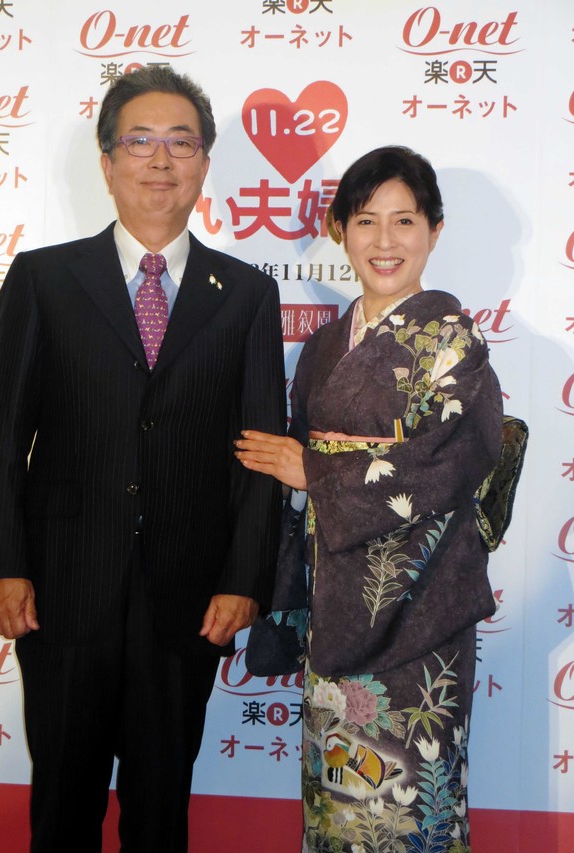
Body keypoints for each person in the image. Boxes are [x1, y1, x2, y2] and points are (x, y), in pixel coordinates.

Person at [0, 65, 286, 852]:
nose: (161, 160)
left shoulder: (246, 294)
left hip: (189, 598)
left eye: (182, 142)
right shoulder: (44, 279)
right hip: (61, 591)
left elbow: (259, 453)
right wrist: (3, 564)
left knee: (160, 810)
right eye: (140, 141)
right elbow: (5, 435)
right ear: (108, 161)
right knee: (62, 805)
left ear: (205, 163)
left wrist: (245, 578)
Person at [235, 146, 503, 852]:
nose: (385, 241)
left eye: (404, 220)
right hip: (336, 604)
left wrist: (317, 472)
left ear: (435, 230)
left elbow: (453, 458)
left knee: (412, 799)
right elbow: (293, 477)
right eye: (365, 221)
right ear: (340, 231)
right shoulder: (325, 347)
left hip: (423, 606)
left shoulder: (453, 340)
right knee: (338, 805)